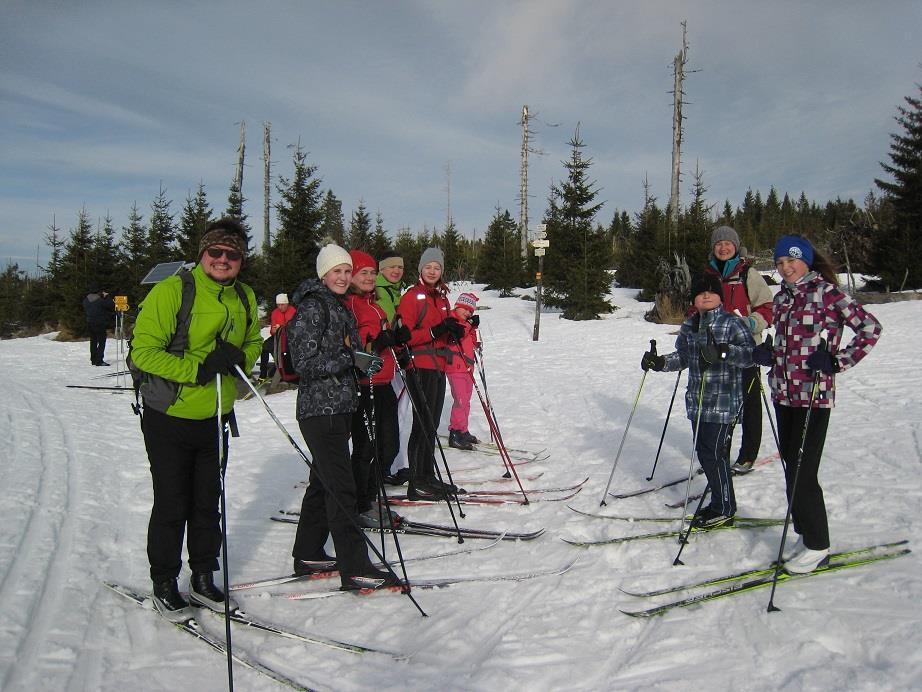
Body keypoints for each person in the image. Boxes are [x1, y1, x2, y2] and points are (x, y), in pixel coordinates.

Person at [130, 218, 262, 620]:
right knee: (173, 502)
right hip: (169, 414)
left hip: (216, 416)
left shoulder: (244, 296)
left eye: (232, 254)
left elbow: (255, 340)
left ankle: (203, 576)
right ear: (202, 253)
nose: (223, 260)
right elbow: (144, 352)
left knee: (208, 502)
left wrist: (241, 358)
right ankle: (165, 581)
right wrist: (199, 368)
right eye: (215, 252)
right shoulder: (174, 291)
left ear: (241, 259)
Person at [752, 235, 882, 574]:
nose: (785, 267)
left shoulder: (828, 293)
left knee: (804, 473)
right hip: (783, 393)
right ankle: (804, 531)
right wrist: (769, 354)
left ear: (806, 261)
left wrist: (839, 361)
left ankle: (818, 544)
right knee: (791, 468)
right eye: (780, 263)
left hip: (814, 395)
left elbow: (870, 328)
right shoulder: (781, 299)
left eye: (791, 261)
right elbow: (784, 342)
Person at [288, 244, 399, 590]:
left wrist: (359, 358)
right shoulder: (313, 307)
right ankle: (355, 567)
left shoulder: (335, 306)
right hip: (320, 410)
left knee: (324, 482)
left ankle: (308, 551)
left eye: (347, 271)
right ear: (324, 274)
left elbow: (337, 353)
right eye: (337, 271)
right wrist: (350, 360)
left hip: (337, 406)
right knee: (341, 486)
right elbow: (303, 364)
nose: (343, 277)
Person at [642, 273, 756, 528]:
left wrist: (724, 352)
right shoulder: (690, 325)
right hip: (697, 401)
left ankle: (724, 507)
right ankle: (719, 500)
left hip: (724, 403)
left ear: (720, 296)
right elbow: (683, 357)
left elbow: (750, 356)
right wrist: (660, 362)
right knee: (704, 453)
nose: (706, 296)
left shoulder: (732, 324)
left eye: (711, 292)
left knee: (714, 454)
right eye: (701, 292)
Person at [344, 249, 408, 526]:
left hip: (383, 382)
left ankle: (369, 495)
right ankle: (361, 502)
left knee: (389, 445)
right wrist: (377, 343)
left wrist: (395, 341)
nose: (369, 277)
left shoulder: (375, 303)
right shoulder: (349, 305)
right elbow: (351, 345)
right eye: (363, 273)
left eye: (372, 272)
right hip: (362, 384)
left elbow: (380, 335)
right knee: (366, 448)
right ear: (351, 276)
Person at [703, 226, 774, 474]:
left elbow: (767, 306)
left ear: (735, 246)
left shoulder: (748, 274)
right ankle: (719, 453)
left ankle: (747, 455)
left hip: (746, 350)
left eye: (728, 243)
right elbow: (695, 306)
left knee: (749, 404)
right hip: (715, 350)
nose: (723, 247)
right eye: (718, 243)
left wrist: (751, 322)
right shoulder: (706, 275)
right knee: (720, 405)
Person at [396, 247, 464, 500]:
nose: (433, 271)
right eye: (428, 267)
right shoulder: (413, 297)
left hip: (438, 366)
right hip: (419, 366)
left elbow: (443, 329)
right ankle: (416, 481)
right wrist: (435, 332)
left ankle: (426, 476)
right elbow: (405, 337)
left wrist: (453, 331)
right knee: (422, 422)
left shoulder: (441, 298)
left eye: (437, 268)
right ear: (420, 269)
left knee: (432, 423)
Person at [445, 291, 482, 451]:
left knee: (465, 401)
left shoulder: (466, 324)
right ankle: (455, 432)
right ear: (457, 306)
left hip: (467, 367)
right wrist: (469, 325)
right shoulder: (452, 320)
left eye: (470, 311)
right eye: (465, 309)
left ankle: (463, 430)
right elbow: (457, 334)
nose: (467, 313)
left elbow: (472, 341)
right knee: (460, 401)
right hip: (455, 368)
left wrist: (475, 331)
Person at [259, 293, 296, 379]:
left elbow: (294, 328)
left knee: (284, 351)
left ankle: (284, 369)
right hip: (278, 337)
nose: (280, 307)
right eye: (278, 305)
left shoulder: (293, 311)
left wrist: (282, 328)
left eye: (282, 304)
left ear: (287, 303)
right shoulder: (275, 313)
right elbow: (272, 330)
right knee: (265, 346)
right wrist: (273, 330)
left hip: (289, 338)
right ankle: (263, 373)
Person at [83, 286, 115, 366]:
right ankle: (99, 360)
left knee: (93, 341)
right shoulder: (99, 300)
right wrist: (107, 297)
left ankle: (93, 359)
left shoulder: (86, 300)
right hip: (99, 323)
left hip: (90, 322)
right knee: (101, 341)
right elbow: (111, 305)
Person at [375, 251, 407, 324]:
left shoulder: (400, 288)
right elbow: (391, 321)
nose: (396, 271)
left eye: (400, 267)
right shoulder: (379, 291)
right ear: (381, 269)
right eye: (392, 267)